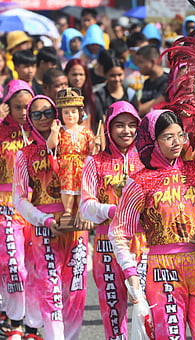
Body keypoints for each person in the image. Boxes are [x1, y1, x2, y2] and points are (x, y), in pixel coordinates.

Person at [109, 110, 195, 339]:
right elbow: (118, 232)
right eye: (168, 137)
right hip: (163, 270)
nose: (177, 142)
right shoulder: (139, 182)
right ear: (152, 141)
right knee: (169, 335)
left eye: (180, 135)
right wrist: (130, 273)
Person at [13, 95, 89, 340]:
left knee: (75, 291)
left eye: (48, 112)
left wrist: (88, 213)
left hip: (76, 227)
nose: (43, 118)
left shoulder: (79, 144)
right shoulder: (25, 155)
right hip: (45, 230)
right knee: (51, 291)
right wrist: (44, 220)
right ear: (30, 119)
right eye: (36, 114)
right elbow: (20, 200)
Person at [80, 101, 145, 340]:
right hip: (106, 243)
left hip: (141, 242)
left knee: (146, 307)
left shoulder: (147, 161)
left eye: (131, 125)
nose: (126, 131)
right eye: (119, 125)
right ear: (108, 127)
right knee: (111, 307)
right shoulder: (94, 162)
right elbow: (85, 207)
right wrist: (111, 210)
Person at [0, 80, 42, 340]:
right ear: (7, 107)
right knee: (14, 265)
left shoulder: (44, 132)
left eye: (28, 107)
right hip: (6, 205)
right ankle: (14, 319)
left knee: (35, 268)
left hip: (36, 207)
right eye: (17, 107)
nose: (24, 113)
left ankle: (32, 326)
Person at [48, 88, 96, 216]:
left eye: (74, 112)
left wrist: (96, 143)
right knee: (67, 189)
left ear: (80, 114)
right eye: (66, 112)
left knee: (82, 188)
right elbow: (51, 144)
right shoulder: (60, 130)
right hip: (66, 167)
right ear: (61, 114)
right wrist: (54, 132)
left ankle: (81, 211)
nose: (70, 115)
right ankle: (68, 211)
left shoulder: (85, 131)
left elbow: (92, 148)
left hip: (82, 165)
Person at [94, 50, 139, 135]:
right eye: (112, 76)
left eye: (120, 75)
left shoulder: (130, 94)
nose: (117, 79)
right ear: (105, 75)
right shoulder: (99, 95)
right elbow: (100, 123)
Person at [136, 45, 168, 117]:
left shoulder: (167, 81)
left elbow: (154, 105)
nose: (138, 66)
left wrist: (135, 111)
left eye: (141, 62)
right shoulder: (147, 82)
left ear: (153, 61)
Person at [64, 59, 96, 130]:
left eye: (81, 74)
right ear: (67, 75)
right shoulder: (62, 99)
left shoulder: (93, 98)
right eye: (74, 75)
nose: (78, 78)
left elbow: (100, 126)